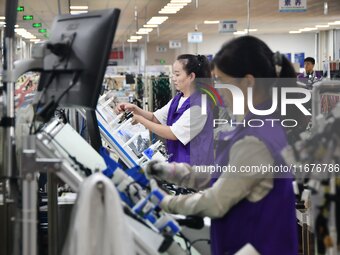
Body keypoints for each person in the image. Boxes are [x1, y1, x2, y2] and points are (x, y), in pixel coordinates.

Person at [146, 36, 300, 255]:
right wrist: (171, 172)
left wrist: (167, 203)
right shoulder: (258, 124)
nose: (217, 90)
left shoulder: (255, 138)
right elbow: (223, 175)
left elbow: (217, 201)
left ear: (248, 81)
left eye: (221, 80)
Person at [115, 54, 214, 165]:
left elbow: (173, 133)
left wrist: (140, 120)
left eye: (177, 74)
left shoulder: (201, 105)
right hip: (178, 163)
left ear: (191, 76)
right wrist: (134, 109)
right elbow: (154, 118)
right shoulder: (178, 98)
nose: (173, 78)